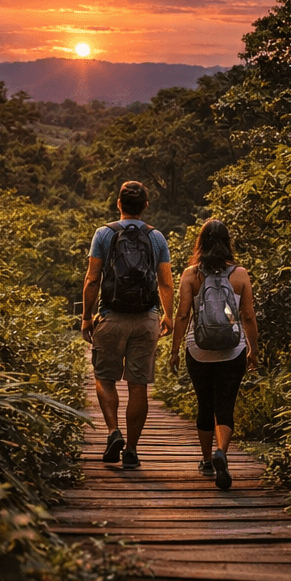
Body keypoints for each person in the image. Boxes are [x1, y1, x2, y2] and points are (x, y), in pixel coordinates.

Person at [82, 181, 174, 469]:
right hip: (146, 319)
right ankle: (132, 450)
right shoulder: (156, 237)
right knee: (138, 386)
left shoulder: (103, 234)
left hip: (111, 316)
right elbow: (166, 283)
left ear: (118, 203)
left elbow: (92, 279)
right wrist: (167, 315)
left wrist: (86, 316)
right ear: (145, 205)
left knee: (104, 377)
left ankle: (113, 431)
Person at [170, 219, 258, 490]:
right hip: (233, 350)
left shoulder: (191, 275)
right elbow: (248, 317)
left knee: (204, 404)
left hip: (198, 350)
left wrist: (174, 351)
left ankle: (207, 460)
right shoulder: (240, 274)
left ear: (201, 242)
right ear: (227, 242)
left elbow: (182, 315)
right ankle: (222, 452)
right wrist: (253, 350)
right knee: (225, 407)